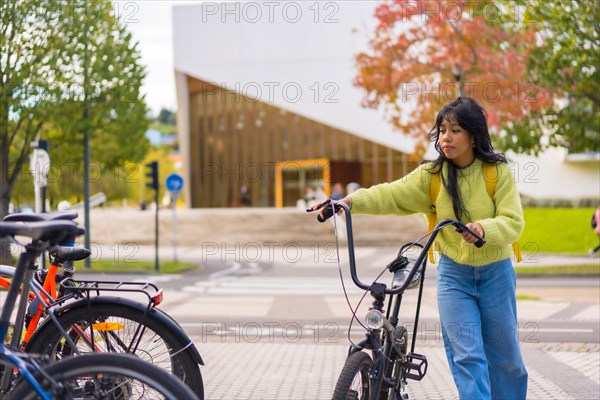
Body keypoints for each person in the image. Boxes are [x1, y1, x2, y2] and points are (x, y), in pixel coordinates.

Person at [311, 96, 527, 399]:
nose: (445, 138)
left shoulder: (496, 172)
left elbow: (513, 221)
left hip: (495, 273)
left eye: (455, 130)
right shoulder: (432, 176)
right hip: (454, 276)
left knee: (507, 362)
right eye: (441, 130)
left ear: (474, 136)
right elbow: (391, 194)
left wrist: (482, 228)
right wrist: (347, 202)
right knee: (468, 357)